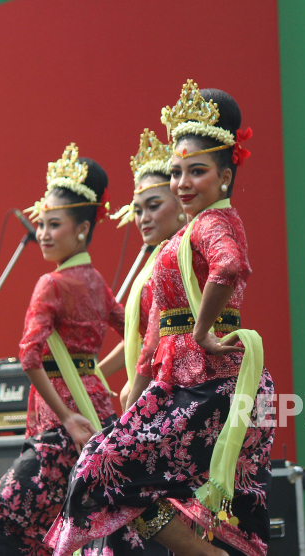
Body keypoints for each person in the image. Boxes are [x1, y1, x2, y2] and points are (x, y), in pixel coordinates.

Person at [46, 81, 274, 556]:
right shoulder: (184, 235)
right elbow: (159, 325)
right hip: (186, 383)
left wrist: (203, 331)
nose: (183, 183)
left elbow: (229, 267)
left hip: (210, 386)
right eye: (176, 172)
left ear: (225, 177)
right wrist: (141, 377)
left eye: (197, 171)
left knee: (102, 470)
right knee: (188, 504)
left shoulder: (213, 223)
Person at [0, 143, 126, 556]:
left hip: (63, 431)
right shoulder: (95, 282)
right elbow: (139, 333)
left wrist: (69, 417)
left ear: (82, 230)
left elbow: (29, 357)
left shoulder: (51, 284)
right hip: (101, 424)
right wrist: (99, 380)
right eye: (42, 224)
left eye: (54, 225)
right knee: (61, 538)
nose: (42, 234)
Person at [108, 127, 186, 412]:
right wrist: (95, 376)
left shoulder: (179, 253)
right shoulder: (157, 258)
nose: (143, 218)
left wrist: (137, 393)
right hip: (159, 382)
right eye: (137, 210)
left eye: (153, 206)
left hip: (181, 387)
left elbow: (156, 337)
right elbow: (141, 336)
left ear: (180, 202)